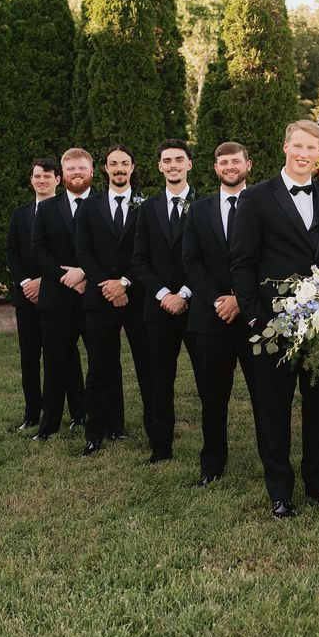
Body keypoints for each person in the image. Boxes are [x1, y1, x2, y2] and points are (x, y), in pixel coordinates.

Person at [231, 121, 319, 519]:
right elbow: (242, 262)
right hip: (272, 324)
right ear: (285, 147)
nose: (303, 153)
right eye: (298, 145)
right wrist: (254, 318)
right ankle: (279, 489)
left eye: (311, 148)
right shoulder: (257, 198)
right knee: (272, 408)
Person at [182, 141, 263, 486]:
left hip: (253, 316)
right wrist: (219, 298)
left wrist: (240, 299)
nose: (229, 166)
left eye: (235, 161)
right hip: (210, 317)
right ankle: (212, 462)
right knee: (212, 395)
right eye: (223, 162)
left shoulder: (263, 205)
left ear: (248, 164)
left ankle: (270, 457)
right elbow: (190, 260)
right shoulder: (198, 210)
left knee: (264, 394)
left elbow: (268, 258)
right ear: (215, 168)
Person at [76, 145, 154, 455]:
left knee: (148, 368)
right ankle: (96, 433)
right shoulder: (89, 207)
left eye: (124, 163)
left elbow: (149, 251)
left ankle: (155, 434)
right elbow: (83, 250)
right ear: (105, 169)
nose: (119, 168)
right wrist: (107, 285)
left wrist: (124, 283)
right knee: (98, 370)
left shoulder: (146, 205)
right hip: (100, 298)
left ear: (133, 167)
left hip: (138, 299)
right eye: (113, 164)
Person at [133, 139, 201, 465]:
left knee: (208, 379)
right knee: (159, 379)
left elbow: (210, 258)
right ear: (159, 166)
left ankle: (214, 446)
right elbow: (140, 260)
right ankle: (161, 447)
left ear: (189, 164)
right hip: (158, 308)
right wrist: (164, 295)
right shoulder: (146, 209)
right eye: (166, 160)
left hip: (196, 306)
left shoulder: (203, 206)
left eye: (179, 159)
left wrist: (185, 293)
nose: (173, 165)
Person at [6, 158, 81, 431]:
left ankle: (78, 412)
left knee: (66, 355)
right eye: (37, 176)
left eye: (47, 176)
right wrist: (26, 282)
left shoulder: (67, 210)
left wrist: (43, 281)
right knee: (29, 357)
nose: (41, 181)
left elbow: (65, 254)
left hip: (58, 292)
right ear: (31, 180)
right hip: (26, 296)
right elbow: (13, 253)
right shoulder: (20, 214)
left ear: (57, 180)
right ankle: (32, 413)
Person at [29, 149, 92, 441]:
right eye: (71, 168)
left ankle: (110, 423)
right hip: (57, 298)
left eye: (82, 167)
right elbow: (39, 251)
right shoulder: (48, 208)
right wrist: (66, 276)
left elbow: (111, 249)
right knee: (54, 364)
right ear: (62, 173)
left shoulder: (104, 203)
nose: (76, 172)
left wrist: (86, 273)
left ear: (91, 170)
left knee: (105, 364)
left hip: (94, 297)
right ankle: (48, 424)